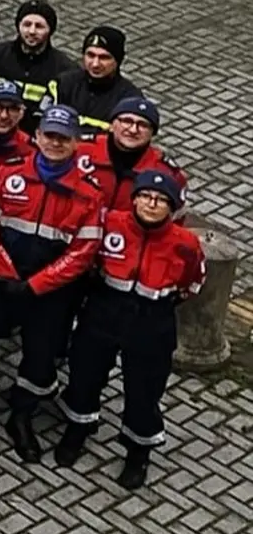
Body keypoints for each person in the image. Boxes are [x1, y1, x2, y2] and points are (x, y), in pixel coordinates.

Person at [0, 103, 108, 459]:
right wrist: (4, 273)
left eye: (63, 138)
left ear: (76, 142)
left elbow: (83, 250)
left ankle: (21, 417)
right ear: (38, 135)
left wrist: (38, 284)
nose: (55, 143)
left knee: (40, 355)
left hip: (49, 294)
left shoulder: (89, 194)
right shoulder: (8, 173)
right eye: (49, 135)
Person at [55, 171, 205, 489]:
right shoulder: (110, 224)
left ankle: (138, 453)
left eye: (161, 200)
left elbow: (192, 281)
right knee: (85, 373)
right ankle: (78, 429)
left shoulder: (186, 243)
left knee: (144, 390)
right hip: (105, 310)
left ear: (173, 207)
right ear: (134, 198)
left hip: (152, 321)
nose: (152, 204)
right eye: (146, 196)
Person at [0, 0, 74, 130]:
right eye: (27, 24)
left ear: (50, 30)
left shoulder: (64, 70)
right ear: (18, 26)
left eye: (39, 26)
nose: (31, 31)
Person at [83, 96, 186, 214]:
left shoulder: (168, 173)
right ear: (111, 125)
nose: (133, 130)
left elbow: (174, 221)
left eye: (143, 125)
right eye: (127, 121)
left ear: (152, 133)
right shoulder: (80, 150)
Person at [54, 24, 143, 135]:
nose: (95, 64)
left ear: (118, 61)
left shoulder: (129, 99)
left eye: (104, 57)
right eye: (90, 55)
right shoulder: (64, 83)